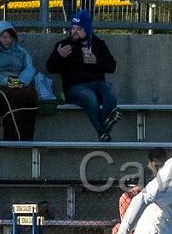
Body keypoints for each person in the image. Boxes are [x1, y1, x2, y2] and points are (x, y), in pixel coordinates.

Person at [45, 9, 121, 141]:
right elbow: (50, 68)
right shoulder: (63, 45)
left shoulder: (98, 44)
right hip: (74, 88)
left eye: (79, 28)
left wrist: (96, 61)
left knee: (109, 92)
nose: (75, 31)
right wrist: (59, 56)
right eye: (73, 28)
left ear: (87, 30)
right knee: (90, 98)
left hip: (97, 84)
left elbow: (112, 66)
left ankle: (104, 125)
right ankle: (102, 131)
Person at [0, 20, 38, 140]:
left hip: (19, 81)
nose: (8, 40)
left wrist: (21, 81)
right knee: (10, 98)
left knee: (30, 95)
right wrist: (5, 80)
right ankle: (13, 137)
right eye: (4, 37)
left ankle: (27, 137)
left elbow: (29, 68)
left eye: (10, 37)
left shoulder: (21, 52)